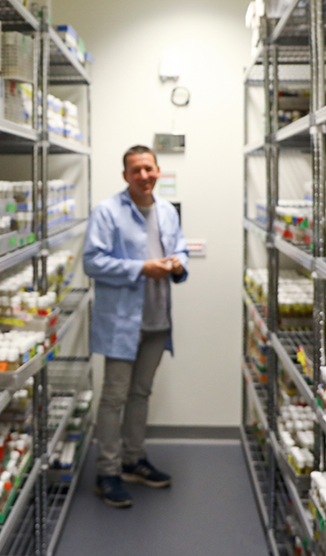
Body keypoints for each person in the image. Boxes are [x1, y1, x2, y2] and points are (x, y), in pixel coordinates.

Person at [82, 145, 188, 508]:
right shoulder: (107, 211)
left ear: (158, 171)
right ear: (125, 176)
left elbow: (181, 247)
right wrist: (141, 268)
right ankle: (106, 472)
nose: (144, 176)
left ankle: (133, 459)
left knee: (141, 393)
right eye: (135, 170)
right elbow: (92, 262)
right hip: (121, 322)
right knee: (114, 397)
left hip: (158, 319)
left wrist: (177, 262)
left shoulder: (167, 211)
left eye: (149, 168)